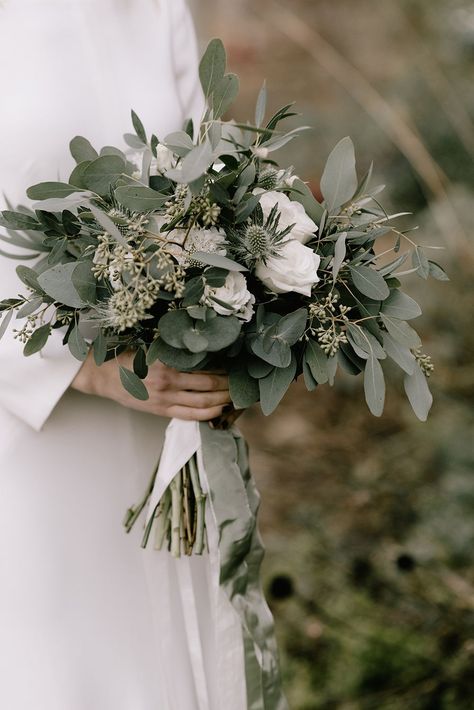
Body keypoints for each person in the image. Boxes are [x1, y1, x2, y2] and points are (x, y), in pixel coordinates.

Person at [0, 1, 247, 708]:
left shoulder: (154, 6)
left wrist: (236, 321)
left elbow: (214, 183)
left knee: (171, 664)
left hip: (164, 436)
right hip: (26, 448)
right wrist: (81, 367)